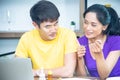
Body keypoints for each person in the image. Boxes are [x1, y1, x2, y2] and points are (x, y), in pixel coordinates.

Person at [15, 0, 78, 78]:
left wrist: (37, 72)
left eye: (56, 23)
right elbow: (19, 70)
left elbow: (68, 72)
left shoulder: (68, 35)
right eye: (48, 26)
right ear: (35, 25)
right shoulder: (27, 38)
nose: (54, 29)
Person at [77, 4, 120, 80]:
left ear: (104, 26)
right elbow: (82, 77)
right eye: (86, 22)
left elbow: (104, 76)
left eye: (93, 25)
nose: (87, 28)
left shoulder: (116, 41)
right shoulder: (81, 41)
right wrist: (80, 59)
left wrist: (99, 55)